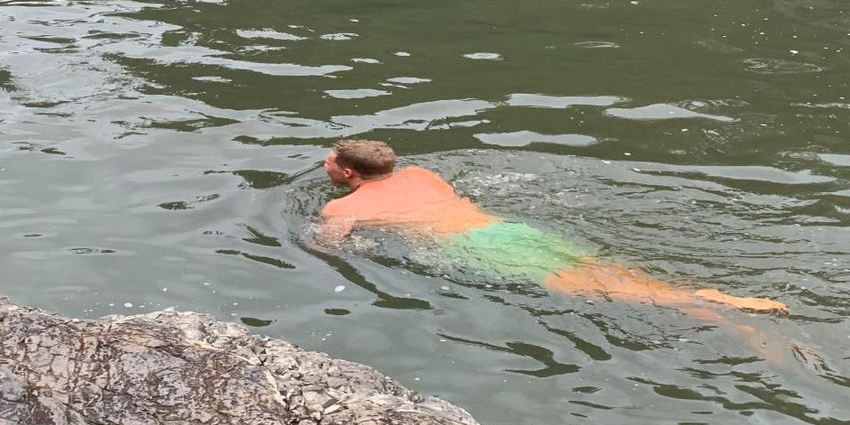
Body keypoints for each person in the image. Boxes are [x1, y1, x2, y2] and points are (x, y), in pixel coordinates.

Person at [318, 139, 787, 315]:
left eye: (331, 161)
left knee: (585, 288)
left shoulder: (342, 209)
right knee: (601, 269)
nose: (327, 163)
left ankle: (702, 299)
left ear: (348, 173)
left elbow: (333, 247)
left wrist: (325, 244)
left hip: (477, 249)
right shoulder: (421, 174)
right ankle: (703, 307)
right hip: (508, 230)